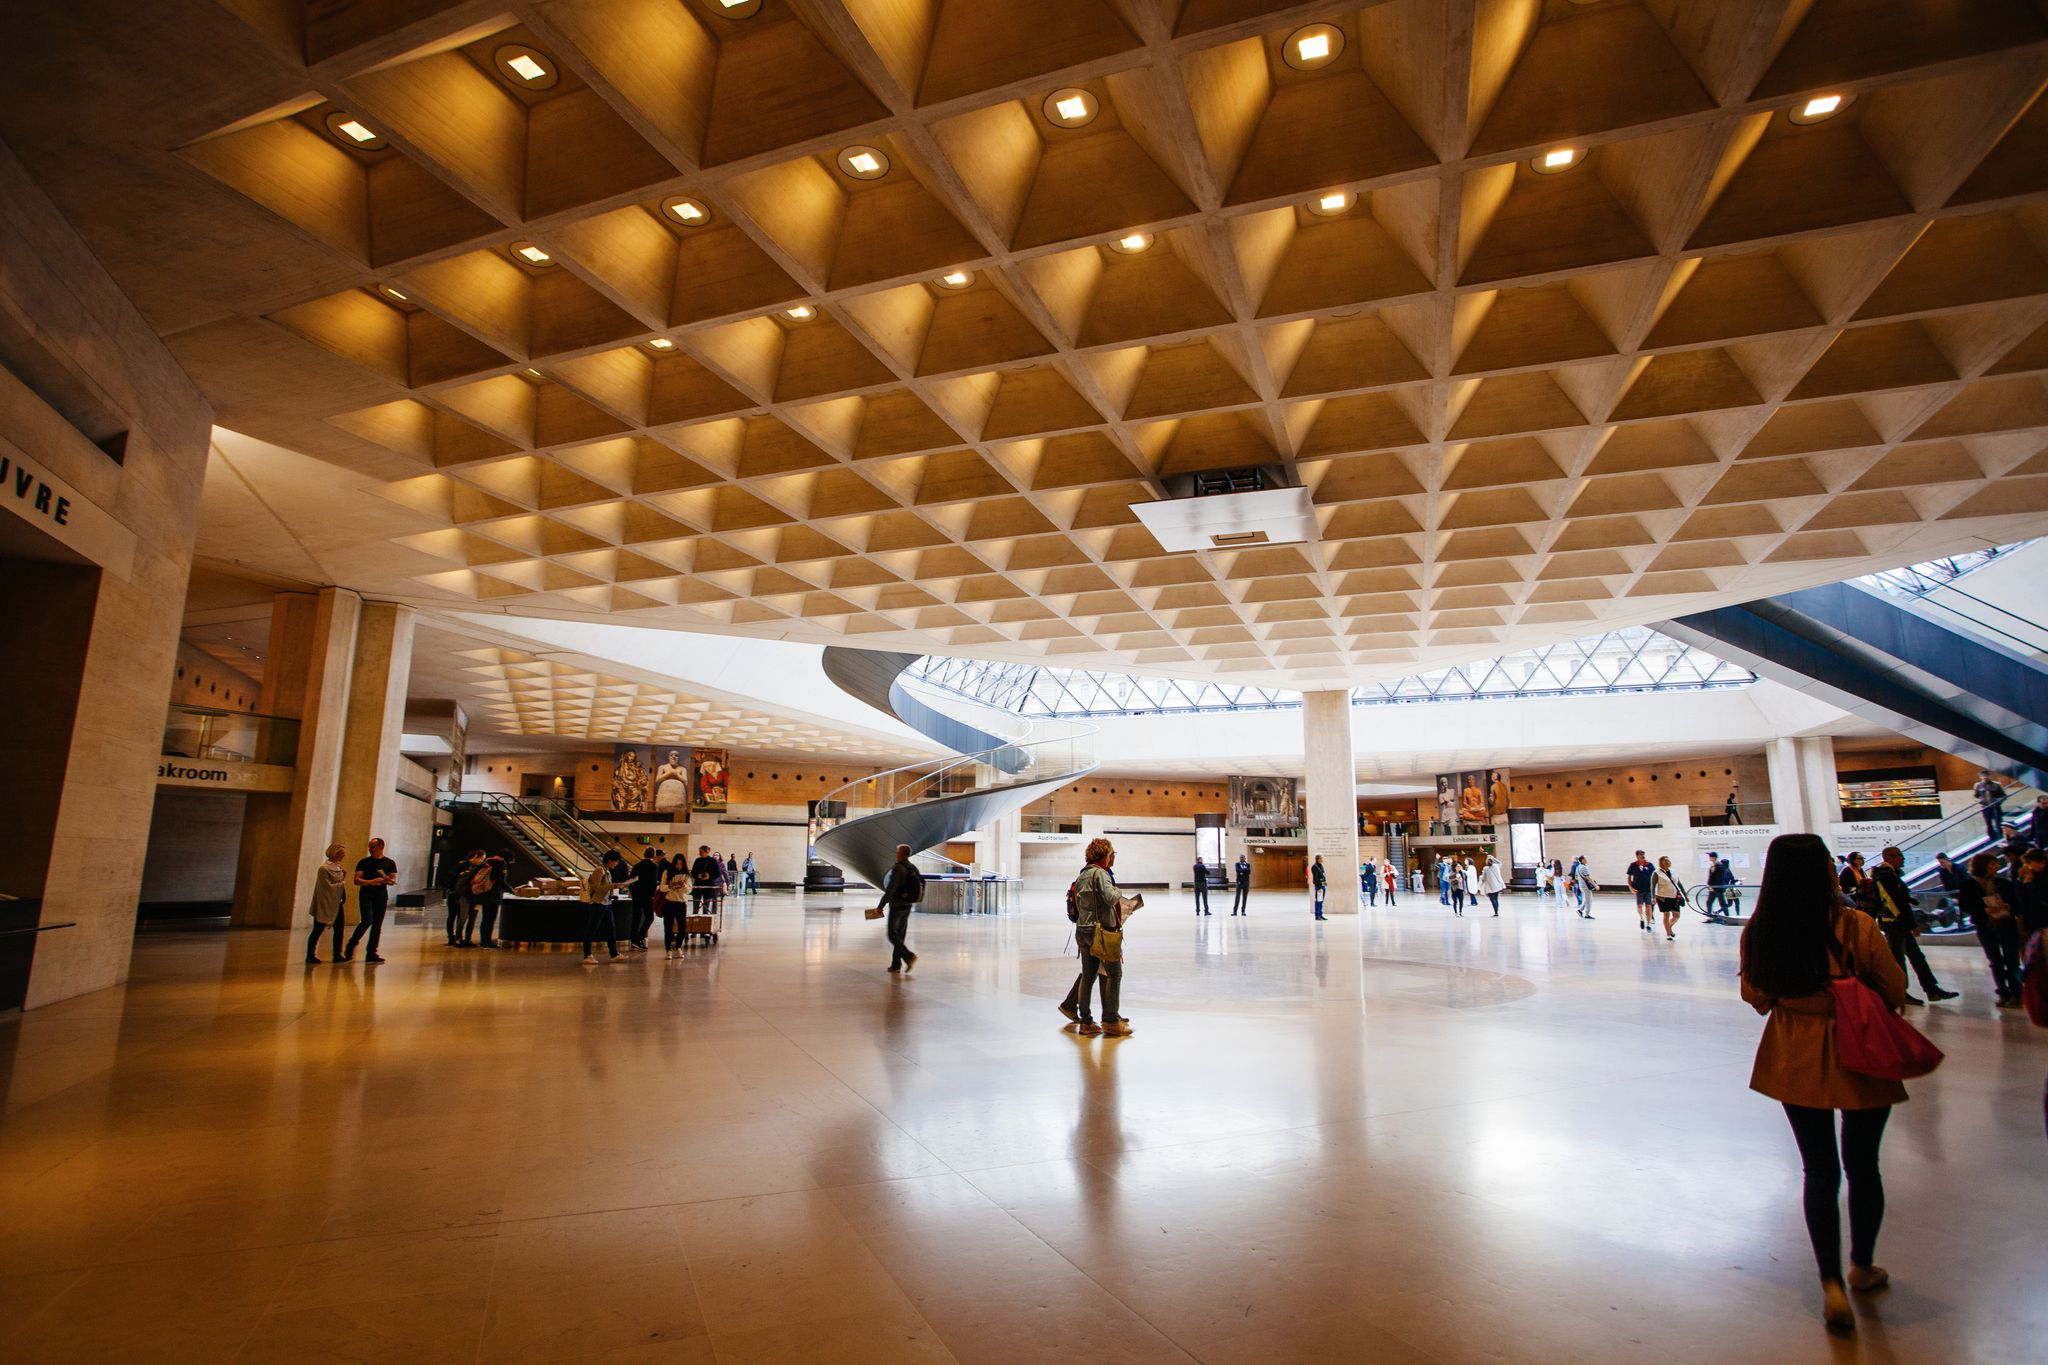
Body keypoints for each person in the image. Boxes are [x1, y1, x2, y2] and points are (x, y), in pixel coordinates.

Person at [1739, 831, 1909, 1334]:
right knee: (1863, 1164)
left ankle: (1830, 1283)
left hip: (1795, 1051)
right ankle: (1861, 1265)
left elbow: (1756, 996)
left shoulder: (1761, 931)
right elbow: (1895, 989)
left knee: (1819, 1170)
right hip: (1862, 1051)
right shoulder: (1856, 925)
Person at [1060, 838, 1139, 1037]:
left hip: (1083, 930)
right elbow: (1111, 897)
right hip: (1101, 932)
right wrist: (1119, 890)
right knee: (1114, 974)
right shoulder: (1101, 874)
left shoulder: (1083, 875)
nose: (1113, 857)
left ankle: (1086, 1022)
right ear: (1104, 854)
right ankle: (1111, 1021)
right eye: (1112, 853)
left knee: (1088, 976)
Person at [1871, 846, 1957, 1005]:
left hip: (1898, 923)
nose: (1903, 859)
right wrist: (1910, 923)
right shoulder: (1885, 876)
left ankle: (1931, 989)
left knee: (1917, 957)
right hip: (1895, 924)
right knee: (1899, 960)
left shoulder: (1890, 875)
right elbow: (1894, 902)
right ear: (1889, 857)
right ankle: (1901, 991)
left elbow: (1899, 898)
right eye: (1899, 856)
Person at [1960, 851, 2024, 1006]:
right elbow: (1966, 905)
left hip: (2006, 923)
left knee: (2012, 959)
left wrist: (2009, 907)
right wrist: (1983, 910)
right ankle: (2003, 991)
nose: (1996, 866)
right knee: (1995, 960)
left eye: (1996, 863)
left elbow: (2017, 903)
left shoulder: (2003, 883)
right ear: (1982, 866)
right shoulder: (1969, 885)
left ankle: (2017, 992)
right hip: (1985, 925)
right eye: (1992, 864)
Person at [344, 837, 397, 963]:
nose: (370, 849)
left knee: (377, 925)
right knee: (367, 920)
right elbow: (356, 880)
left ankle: (372, 952)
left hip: (381, 896)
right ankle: (351, 944)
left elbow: (392, 879)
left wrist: (387, 880)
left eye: (372, 847)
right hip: (366, 894)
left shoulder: (390, 863)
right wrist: (371, 882)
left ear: (381, 847)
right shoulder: (364, 862)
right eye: (369, 847)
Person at [876, 843, 923, 972]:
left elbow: (891, 889)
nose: (896, 854)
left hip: (897, 905)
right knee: (900, 935)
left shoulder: (898, 868)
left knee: (892, 934)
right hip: (908, 905)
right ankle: (896, 964)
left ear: (901, 854)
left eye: (897, 852)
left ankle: (909, 956)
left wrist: (881, 906)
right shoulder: (912, 868)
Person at [306, 844, 348, 964]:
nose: (344, 855)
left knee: (339, 929)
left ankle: (337, 954)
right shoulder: (324, 869)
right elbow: (326, 887)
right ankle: (310, 955)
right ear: (335, 853)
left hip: (337, 903)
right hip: (325, 903)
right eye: (341, 853)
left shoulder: (338, 867)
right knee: (318, 929)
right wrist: (342, 882)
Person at [582, 850, 625, 964]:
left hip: (606, 904)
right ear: (610, 860)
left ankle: (614, 953)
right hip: (598, 904)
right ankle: (587, 955)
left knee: (611, 929)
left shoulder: (607, 871)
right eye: (616, 861)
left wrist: (613, 890)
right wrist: (614, 885)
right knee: (591, 929)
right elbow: (596, 887)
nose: (616, 864)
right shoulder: (599, 870)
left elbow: (605, 887)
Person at [442, 849, 481, 946]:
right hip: (454, 893)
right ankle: (451, 937)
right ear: (475, 856)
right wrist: (461, 874)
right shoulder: (462, 864)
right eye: (481, 858)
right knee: (452, 915)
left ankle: (459, 937)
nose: (481, 861)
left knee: (461, 916)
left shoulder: (476, 867)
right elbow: (450, 875)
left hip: (463, 895)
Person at [629, 848, 661, 951]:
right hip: (647, 896)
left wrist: (633, 892)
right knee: (649, 917)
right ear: (654, 855)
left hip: (636, 895)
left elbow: (630, 880)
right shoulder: (654, 866)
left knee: (636, 918)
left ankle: (633, 941)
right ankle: (640, 938)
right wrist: (653, 895)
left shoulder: (637, 865)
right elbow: (653, 882)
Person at [662, 856, 691, 959]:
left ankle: (678, 947)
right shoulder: (667, 872)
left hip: (681, 903)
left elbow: (689, 890)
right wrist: (670, 886)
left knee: (682, 927)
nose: (678, 866)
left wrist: (683, 886)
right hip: (669, 902)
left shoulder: (686, 875)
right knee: (668, 927)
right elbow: (662, 888)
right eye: (677, 863)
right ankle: (668, 949)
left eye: (681, 864)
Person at [1653, 855, 1684, 940]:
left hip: (1674, 896)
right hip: (1663, 897)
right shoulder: (1657, 873)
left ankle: (1669, 928)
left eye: (1669, 861)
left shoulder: (1673, 871)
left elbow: (1679, 884)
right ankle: (1668, 934)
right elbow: (1652, 886)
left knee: (1676, 915)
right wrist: (1653, 897)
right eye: (1666, 861)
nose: (1669, 862)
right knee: (1666, 915)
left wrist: (1685, 894)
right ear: (1662, 863)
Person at [689, 844, 723, 919]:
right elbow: (693, 872)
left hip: (708, 886)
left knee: (706, 907)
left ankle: (705, 923)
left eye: (701, 851)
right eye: (699, 851)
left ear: (706, 852)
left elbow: (717, 873)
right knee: (695, 906)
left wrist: (709, 876)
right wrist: (698, 875)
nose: (700, 853)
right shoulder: (697, 860)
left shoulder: (713, 861)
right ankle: (695, 921)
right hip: (698, 885)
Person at [1627, 850, 1656, 933]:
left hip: (1648, 889)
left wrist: (1655, 889)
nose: (1643, 856)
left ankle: (1648, 924)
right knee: (1639, 906)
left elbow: (1654, 877)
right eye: (1641, 855)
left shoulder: (1649, 865)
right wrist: (1631, 887)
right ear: (1637, 856)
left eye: (1643, 854)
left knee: (1648, 906)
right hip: (1638, 889)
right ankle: (1641, 918)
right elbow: (1629, 877)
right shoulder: (1633, 865)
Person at [1973, 769, 2006, 841]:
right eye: (1983, 776)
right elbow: (1976, 796)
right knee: (1988, 823)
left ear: (1989, 776)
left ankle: (2001, 836)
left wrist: (1998, 801)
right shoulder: (1978, 785)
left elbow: (2003, 795)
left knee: (1999, 822)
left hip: (1995, 806)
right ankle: (1992, 837)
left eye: (1986, 775)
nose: (1984, 777)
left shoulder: (1996, 785)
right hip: (1985, 807)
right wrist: (1979, 801)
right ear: (1980, 777)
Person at [1705, 852, 1735, 918]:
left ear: (1714, 857)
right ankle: (1710, 917)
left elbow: (1718, 878)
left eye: (1710, 856)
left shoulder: (1719, 866)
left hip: (1717, 888)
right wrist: (1710, 885)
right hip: (1713, 888)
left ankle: (1727, 917)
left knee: (1722, 903)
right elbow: (1711, 877)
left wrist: (1713, 886)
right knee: (1709, 902)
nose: (1709, 858)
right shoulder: (1713, 865)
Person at [1310, 854, 1327, 919]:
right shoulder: (1314, 867)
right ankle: (1317, 915)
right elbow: (1316, 878)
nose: (1322, 860)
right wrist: (1319, 887)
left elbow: (1323, 875)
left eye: (1322, 858)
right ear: (1318, 859)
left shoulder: (1321, 865)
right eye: (1321, 858)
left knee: (1321, 900)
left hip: (1323, 885)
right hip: (1319, 886)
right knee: (1318, 900)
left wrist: (1325, 883)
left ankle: (1320, 914)